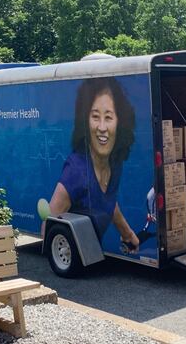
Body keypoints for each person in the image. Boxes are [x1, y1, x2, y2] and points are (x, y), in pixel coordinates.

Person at [44, 77, 140, 254]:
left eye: (109, 117)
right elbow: (48, 226)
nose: (102, 127)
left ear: (120, 122)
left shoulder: (114, 163)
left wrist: (128, 234)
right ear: (85, 122)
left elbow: (108, 203)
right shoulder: (76, 172)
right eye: (95, 117)